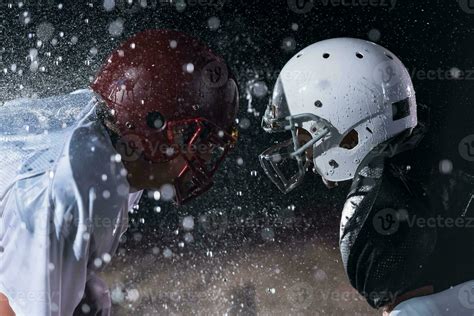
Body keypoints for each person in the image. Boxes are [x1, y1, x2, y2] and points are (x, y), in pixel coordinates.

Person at [0, 29, 239, 316]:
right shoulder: (70, 188)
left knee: (89, 300)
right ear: (153, 129)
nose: (201, 151)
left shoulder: (114, 134)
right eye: (193, 136)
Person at [259, 37, 474, 315]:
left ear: (351, 134)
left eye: (303, 131)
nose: (300, 147)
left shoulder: (393, 204)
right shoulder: (425, 170)